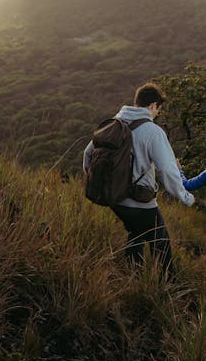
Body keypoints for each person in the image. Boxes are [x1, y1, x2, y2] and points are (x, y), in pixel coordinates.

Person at [83, 83, 195, 276]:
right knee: (161, 244)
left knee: (136, 233)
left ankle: (132, 276)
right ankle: (168, 286)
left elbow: (88, 154)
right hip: (140, 201)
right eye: (158, 109)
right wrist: (185, 197)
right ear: (152, 106)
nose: (157, 114)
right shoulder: (153, 132)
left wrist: (102, 182)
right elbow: (168, 171)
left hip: (115, 199)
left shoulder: (114, 124)